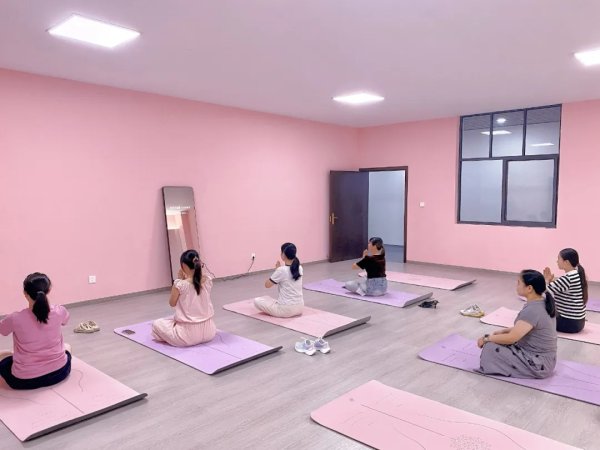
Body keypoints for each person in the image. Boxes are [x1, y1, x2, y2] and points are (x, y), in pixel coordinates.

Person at [478, 270, 557, 379]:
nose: (516, 286)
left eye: (519, 283)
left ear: (529, 288)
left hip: (538, 364)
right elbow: (530, 327)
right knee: (498, 339)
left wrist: (486, 338)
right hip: (547, 360)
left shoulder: (533, 310)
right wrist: (504, 331)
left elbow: (512, 338)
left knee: (490, 347)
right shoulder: (542, 300)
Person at [0, 273, 71, 390]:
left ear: (25, 293)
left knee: (4, 358)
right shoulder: (60, 311)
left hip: (24, 381)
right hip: (60, 373)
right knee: (67, 347)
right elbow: (65, 321)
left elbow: (2, 330)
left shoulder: (14, 318)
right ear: (49, 290)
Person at [152, 250, 216, 346]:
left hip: (186, 336)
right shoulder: (208, 280)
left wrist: (180, 279)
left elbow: (172, 303)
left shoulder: (180, 284)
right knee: (172, 320)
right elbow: (196, 281)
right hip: (209, 332)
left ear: (183, 266)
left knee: (157, 324)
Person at [544, 248, 587, 333]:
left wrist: (546, 280)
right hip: (579, 322)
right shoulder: (576, 274)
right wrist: (550, 281)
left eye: (558, 259)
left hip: (569, 324)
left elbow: (543, 292)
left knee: (540, 310)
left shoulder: (567, 279)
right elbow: (558, 286)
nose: (557, 261)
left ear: (566, 262)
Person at [255, 243, 303, 317]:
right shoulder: (299, 268)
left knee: (257, 301)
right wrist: (278, 271)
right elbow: (287, 277)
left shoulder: (281, 270)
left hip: (285, 310)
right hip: (300, 307)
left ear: (283, 254)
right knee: (272, 300)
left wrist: (277, 271)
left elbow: (267, 285)